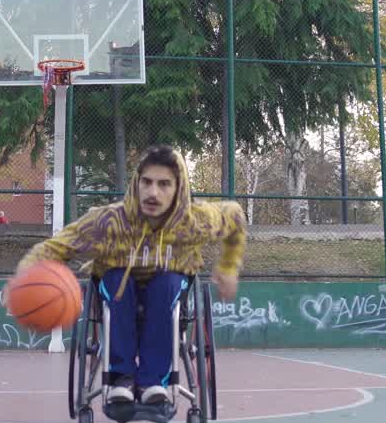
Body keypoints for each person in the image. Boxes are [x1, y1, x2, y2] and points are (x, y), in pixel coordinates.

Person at [14, 144, 246, 407]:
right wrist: (22, 281)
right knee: (114, 279)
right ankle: (120, 378)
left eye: (164, 184)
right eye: (146, 182)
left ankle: (153, 381)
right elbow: (54, 247)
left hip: (167, 290)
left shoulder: (194, 221)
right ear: (136, 183)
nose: (152, 192)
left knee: (167, 283)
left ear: (179, 188)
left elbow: (235, 216)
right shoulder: (109, 222)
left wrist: (228, 267)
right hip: (118, 290)